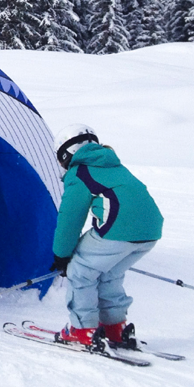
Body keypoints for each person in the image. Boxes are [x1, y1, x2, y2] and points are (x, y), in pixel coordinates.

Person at [50, 124, 163, 351]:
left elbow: (70, 218)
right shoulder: (113, 163)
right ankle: (114, 327)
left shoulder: (80, 172)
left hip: (118, 229)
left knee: (80, 272)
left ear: (66, 154)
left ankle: (82, 329)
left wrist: (62, 255)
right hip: (150, 231)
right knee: (110, 273)